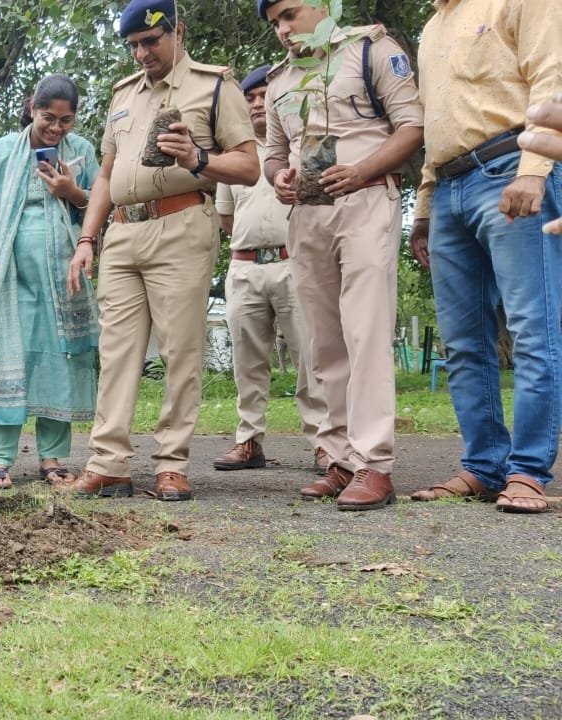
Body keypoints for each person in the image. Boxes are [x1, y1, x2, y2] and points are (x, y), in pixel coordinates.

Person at [64, 0, 259, 501]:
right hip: (123, 234)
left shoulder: (215, 86)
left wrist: (199, 158)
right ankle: (108, 463)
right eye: (133, 46)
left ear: (179, 30)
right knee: (117, 353)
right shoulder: (123, 95)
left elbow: (248, 166)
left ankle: (172, 464)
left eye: (151, 41)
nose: (141, 54)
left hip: (181, 223)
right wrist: (88, 238)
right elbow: (105, 174)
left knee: (180, 352)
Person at [259, 0, 424, 510]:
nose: (284, 30)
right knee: (323, 338)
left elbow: (412, 127)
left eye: (289, 14)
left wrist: (362, 168)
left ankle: (374, 464)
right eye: (275, 23)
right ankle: (338, 457)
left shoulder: (370, 49)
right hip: (307, 213)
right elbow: (271, 152)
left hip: (368, 197)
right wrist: (278, 176)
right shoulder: (281, 81)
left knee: (366, 328)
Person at [409, 1, 562, 514]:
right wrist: (425, 208)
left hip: (509, 168)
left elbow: (552, 75)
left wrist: (535, 169)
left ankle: (528, 470)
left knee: (532, 328)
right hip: (448, 187)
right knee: (463, 341)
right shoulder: (430, 28)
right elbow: (435, 121)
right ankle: (483, 465)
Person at [0, 74, 99, 488]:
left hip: (66, 275)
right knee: (11, 357)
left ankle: (54, 458)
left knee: (61, 359)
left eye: (66, 120)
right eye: (48, 117)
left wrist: (71, 191)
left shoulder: (82, 151)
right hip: (12, 275)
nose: (56, 128)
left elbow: (99, 207)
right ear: (31, 107)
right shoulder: (3, 151)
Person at [213, 64, 328, 473]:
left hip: (292, 263)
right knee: (247, 361)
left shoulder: (298, 148)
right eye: (250, 98)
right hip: (244, 268)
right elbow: (225, 218)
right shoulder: (236, 156)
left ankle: (323, 442)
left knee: (309, 356)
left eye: (264, 96)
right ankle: (248, 442)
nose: (258, 104)